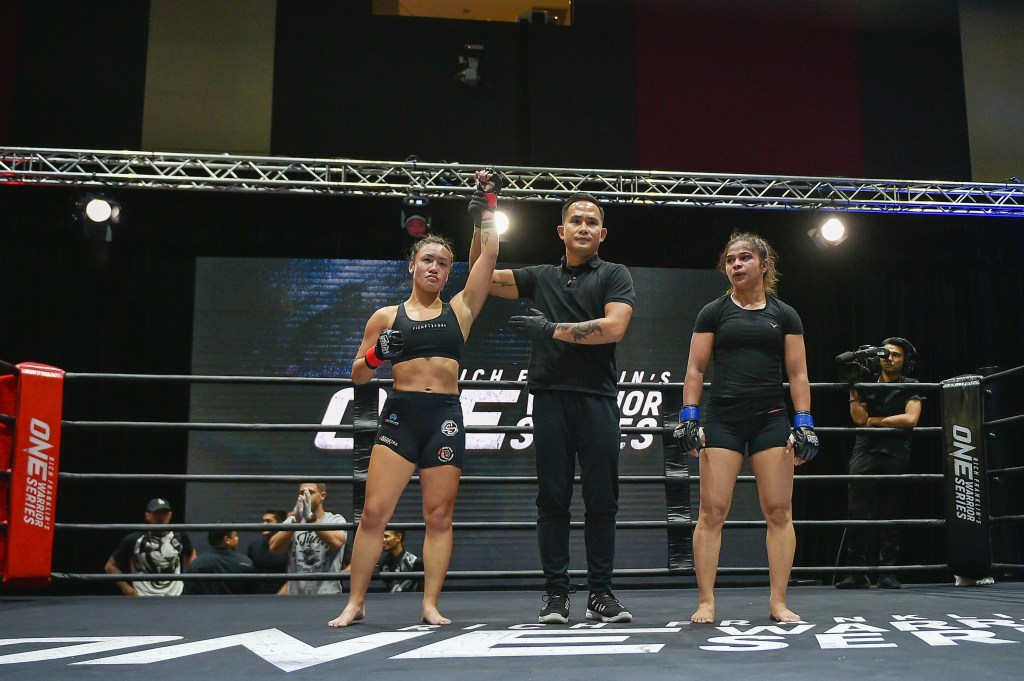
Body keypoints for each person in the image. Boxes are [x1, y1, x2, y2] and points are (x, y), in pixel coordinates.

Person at [328, 169, 501, 627]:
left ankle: (430, 605)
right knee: (373, 515)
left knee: (439, 516)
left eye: (443, 263)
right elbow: (358, 377)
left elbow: (489, 255)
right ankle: (355, 602)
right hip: (401, 415)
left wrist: (488, 203)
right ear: (412, 265)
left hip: (444, 416)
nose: (435, 268)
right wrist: (374, 353)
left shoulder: (461, 309)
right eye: (427, 259)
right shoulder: (385, 315)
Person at [481, 192, 637, 624]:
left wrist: (549, 329)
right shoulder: (541, 276)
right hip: (550, 396)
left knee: (602, 499)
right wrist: (484, 222)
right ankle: (556, 595)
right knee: (553, 498)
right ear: (561, 230)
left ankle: (601, 595)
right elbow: (483, 277)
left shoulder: (615, 274)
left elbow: (614, 328)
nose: (584, 227)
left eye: (591, 222)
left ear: (602, 233)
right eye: (576, 221)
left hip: (598, 398)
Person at [674, 231, 818, 624]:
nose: (736, 265)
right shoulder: (714, 312)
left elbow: (798, 373)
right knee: (711, 512)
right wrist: (689, 416)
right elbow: (696, 369)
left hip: (771, 420)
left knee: (778, 511)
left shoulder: (785, 314)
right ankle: (706, 601)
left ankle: (778, 602)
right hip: (723, 419)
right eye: (730, 260)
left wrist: (804, 423)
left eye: (744, 259)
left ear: (763, 264)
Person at [836, 338, 924, 590]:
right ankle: (857, 572)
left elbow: (911, 418)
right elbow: (859, 419)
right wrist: (853, 390)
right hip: (865, 451)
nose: (890, 358)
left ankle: (888, 571)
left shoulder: (911, 385)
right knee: (857, 512)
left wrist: (877, 420)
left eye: (896, 355)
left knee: (891, 512)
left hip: (895, 452)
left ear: (905, 360)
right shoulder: (865, 383)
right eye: (886, 354)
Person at [104, 497, 197, 596]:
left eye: (164, 513)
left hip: (175, 595)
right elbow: (110, 566)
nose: (161, 517)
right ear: (148, 515)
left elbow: (191, 553)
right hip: (144, 598)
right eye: (157, 513)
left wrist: (187, 579)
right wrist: (128, 590)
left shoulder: (179, 536)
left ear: (170, 515)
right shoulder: (135, 539)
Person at [269, 483, 348, 595]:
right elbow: (274, 548)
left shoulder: (335, 520)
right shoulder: (293, 521)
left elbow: (337, 542)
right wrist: (295, 522)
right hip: (296, 596)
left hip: (328, 595)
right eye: (301, 493)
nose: (305, 496)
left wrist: (310, 518)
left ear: (322, 496)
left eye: (310, 492)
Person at [183, 529, 256, 595]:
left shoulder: (197, 564)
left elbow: (189, 594)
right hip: (238, 608)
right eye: (235, 536)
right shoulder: (245, 563)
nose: (238, 538)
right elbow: (254, 594)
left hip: (205, 608)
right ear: (227, 540)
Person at [246, 509, 290, 594]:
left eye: (268, 521)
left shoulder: (290, 547)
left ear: (280, 524)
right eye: (263, 521)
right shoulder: (254, 546)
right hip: (258, 598)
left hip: (283, 598)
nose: (264, 524)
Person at [376, 528, 424, 592]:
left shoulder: (415, 562)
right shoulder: (382, 561)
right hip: (390, 600)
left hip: (412, 600)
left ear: (398, 537)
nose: (383, 540)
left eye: (386, 536)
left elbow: (424, 590)